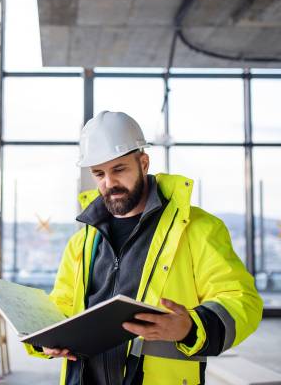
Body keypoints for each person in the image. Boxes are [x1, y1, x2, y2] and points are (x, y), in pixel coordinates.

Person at [24, 111, 263, 385]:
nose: (109, 183)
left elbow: (242, 300)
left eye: (119, 169)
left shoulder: (198, 229)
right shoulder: (84, 240)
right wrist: (44, 338)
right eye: (98, 174)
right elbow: (64, 302)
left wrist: (191, 326)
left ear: (144, 162)